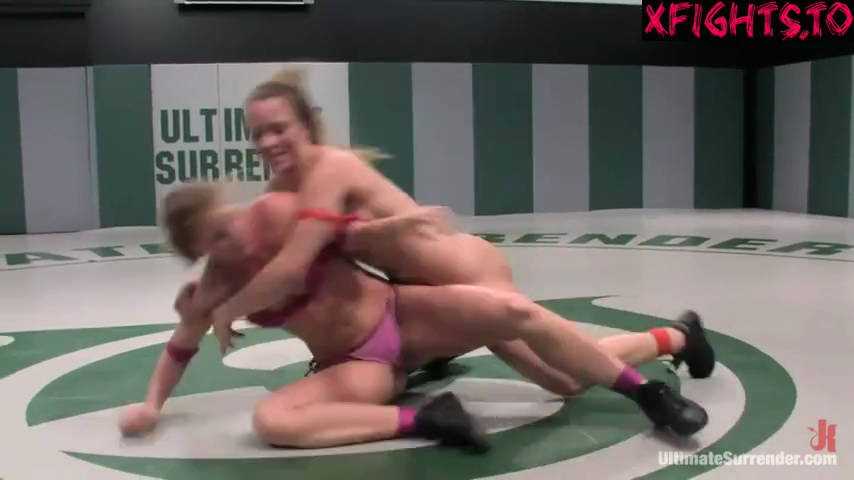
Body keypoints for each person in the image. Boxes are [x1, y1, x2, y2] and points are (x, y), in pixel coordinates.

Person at [201, 68, 714, 390]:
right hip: (427, 287)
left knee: (566, 378)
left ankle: (677, 337)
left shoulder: (329, 171)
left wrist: (226, 309)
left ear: (306, 126)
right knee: (560, 371)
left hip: (464, 271)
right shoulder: (287, 187)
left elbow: (292, 267)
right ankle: (673, 338)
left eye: (277, 129)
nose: (266, 143)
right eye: (256, 133)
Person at [119, 184, 710, 452]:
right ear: (201, 254)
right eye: (217, 242)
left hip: (405, 314)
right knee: (271, 420)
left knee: (526, 328)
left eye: (230, 224)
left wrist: (399, 227)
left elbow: (348, 229)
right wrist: (150, 404)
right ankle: (428, 419)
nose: (236, 240)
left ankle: (653, 379)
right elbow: (180, 348)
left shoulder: (278, 219)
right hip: (357, 365)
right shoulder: (211, 290)